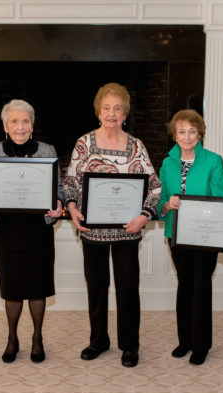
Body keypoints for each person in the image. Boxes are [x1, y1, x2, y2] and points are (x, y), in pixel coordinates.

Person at [63, 82, 161, 368]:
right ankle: (98, 340)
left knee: (127, 288)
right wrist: (71, 207)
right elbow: (69, 182)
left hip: (127, 231)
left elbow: (154, 187)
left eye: (117, 108)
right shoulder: (84, 143)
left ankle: (129, 345)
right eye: (106, 108)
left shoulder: (136, 146)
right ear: (98, 111)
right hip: (93, 230)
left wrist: (144, 216)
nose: (112, 113)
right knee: (96, 286)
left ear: (125, 113)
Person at [0, 99, 64, 364]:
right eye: (14, 121)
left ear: (32, 124)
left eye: (25, 121)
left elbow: (58, 190)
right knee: (12, 288)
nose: (20, 126)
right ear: (5, 125)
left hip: (38, 228)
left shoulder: (47, 150)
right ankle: (12, 337)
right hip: (7, 229)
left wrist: (58, 204)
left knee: (38, 287)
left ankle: (37, 337)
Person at [157, 109, 223, 365]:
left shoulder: (214, 161)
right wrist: (168, 204)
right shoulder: (168, 163)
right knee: (184, 285)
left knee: (201, 286)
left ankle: (201, 344)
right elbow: (161, 203)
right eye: (181, 131)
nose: (187, 136)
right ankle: (185, 341)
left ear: (200, 133)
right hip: (176, 233)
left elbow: (220, 199)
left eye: (192, 131)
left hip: (205, 235)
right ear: (174, 135)